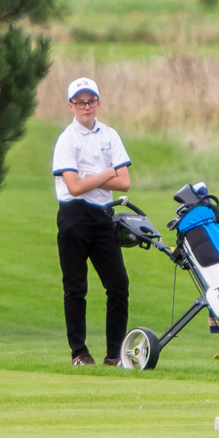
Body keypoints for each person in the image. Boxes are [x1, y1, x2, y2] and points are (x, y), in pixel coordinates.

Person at [51, 76, 132, 366]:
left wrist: (95, 179)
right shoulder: (67, 140)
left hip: (103, 215)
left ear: (98, 102)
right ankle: (79, 352)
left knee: (118, 285)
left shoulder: (109, 135)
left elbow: (125, 182)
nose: (87, 107)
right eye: (81, 102)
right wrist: (107, 173)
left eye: (92, 101)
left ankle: (115, 354)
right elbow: (73, 187)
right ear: (71, 106)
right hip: (73, 216)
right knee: (76, 286)